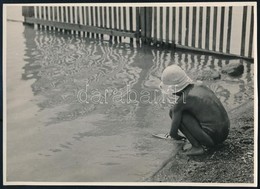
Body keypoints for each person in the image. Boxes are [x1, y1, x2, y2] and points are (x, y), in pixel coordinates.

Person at [159, 65, 230, 156]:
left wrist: (175, 137)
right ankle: (199, 140)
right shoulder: (199, 85)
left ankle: (197, 147)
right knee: (179, 111)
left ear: (174, 89)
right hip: (224, 133)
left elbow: (173, 133)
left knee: (173, 112)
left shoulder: (183, 101)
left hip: (212, 139)